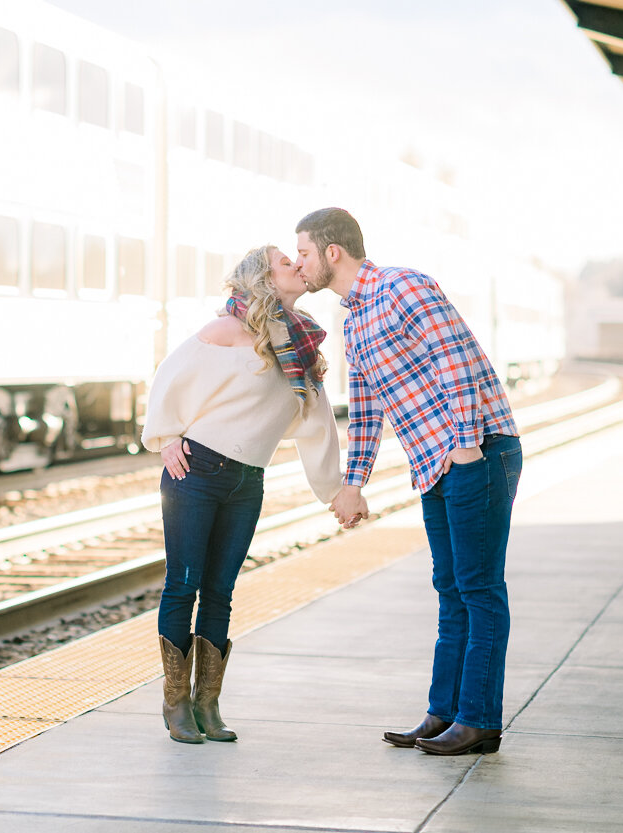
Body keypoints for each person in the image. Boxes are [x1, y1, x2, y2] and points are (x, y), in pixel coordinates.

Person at [294, 207, 522, 756]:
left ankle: (479, 722)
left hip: (478, 453)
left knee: (479, 589)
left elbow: (456, 366)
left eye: (302, 252)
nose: (298, 263)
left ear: (333, 253)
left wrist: (466, 450)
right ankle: (444, 713)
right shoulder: (354, 318)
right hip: (437, 463)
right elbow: (368, 408)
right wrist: (353, 483)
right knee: (451, 590)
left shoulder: (403, 287)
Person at [142, 245, 342, 744]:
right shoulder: (226, 331)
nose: (297, 265)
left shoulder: (299, 346)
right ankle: (176, 703)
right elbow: (168, 381)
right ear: (263, 280)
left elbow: (317, 422)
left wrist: (335, 489)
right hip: (197, 472)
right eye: (283, 261)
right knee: (183, 584)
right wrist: (166, 440)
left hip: (247, 480)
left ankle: (208, 702)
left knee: (220, 593)